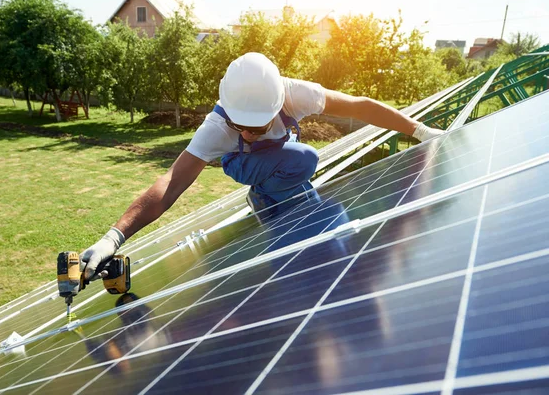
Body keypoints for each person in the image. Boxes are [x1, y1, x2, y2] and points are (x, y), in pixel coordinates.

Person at [80, 52, 443, 281]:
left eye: (259, 124)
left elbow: (359, 106)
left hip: (279, 162)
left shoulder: (296, 93)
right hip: (243, 167)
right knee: (305, 158)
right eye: (242, 126)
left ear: (277, 102)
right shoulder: (217, 128)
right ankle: (264, 197)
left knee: (328, 227)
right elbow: (170, 184)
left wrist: (418, 130)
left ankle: (278, 207)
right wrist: (112, 238)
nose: (250, 133)